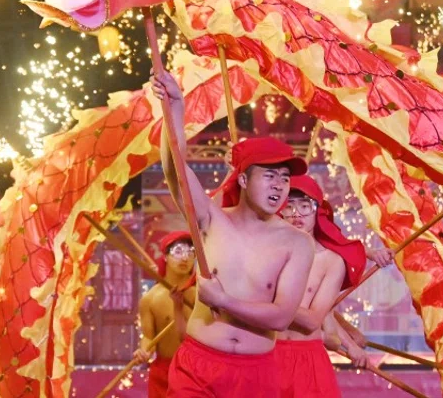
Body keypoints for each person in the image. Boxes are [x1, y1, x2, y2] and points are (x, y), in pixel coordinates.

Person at [151, 68, 315, 397]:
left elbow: (281, 316)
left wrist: (223, 301)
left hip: (256, 375)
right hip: (197, 366)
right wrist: (175, 109)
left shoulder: (297, 243)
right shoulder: (212, 218)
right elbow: (175, 171)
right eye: (269, 176)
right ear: (242, 180)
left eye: (284, 177)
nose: (280, 185)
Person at [274, 174, 371, 397]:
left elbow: (317, 317)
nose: (296, 213)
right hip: (266, 352)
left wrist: (266, 297)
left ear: (318, 210)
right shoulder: (266, 252)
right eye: (289, 206)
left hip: (307, 358)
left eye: (305, 205)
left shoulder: (331, 261)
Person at [132, 231, 198, 398]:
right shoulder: (150, 299)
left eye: (191, 252)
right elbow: (149, 336)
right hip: (164, 374)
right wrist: (143, 351)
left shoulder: (203, 295)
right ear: (166, 257)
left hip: (196, 372)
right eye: (178, 251)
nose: (185, 258)